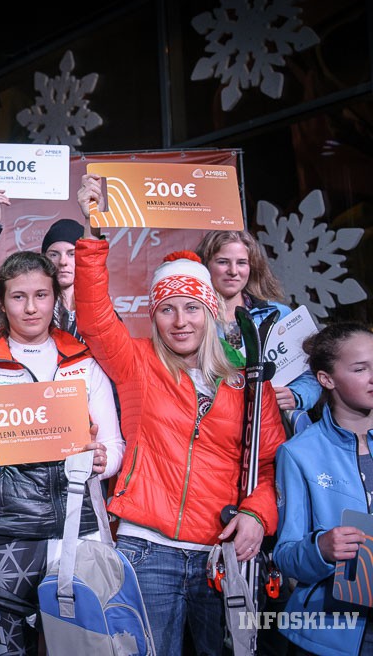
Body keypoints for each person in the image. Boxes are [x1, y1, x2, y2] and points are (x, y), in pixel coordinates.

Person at [74, 174, 285, 655]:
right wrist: (93, 230)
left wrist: (257, 514)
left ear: (210, 311)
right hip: (147, 549)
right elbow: (94, 315)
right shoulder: (138, 363)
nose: (181, 321)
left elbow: (270, 463)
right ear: (154, 315)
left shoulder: (248, 380)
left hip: (221, 553)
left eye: (192, 307)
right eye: (167, 309)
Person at [0, 250, 124, 655]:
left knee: (86, 652)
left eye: (41, 295)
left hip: (78, 533)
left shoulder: (83, 362)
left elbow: (114, 446)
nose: (31, 308)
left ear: (55, 298)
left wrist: (105, 461)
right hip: (5, 539)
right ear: (0, 303)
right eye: (18, 297)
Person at [273, 321, 373, 655]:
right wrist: (321, 549)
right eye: (360, 369)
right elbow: (285, 555)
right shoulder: (299, 453)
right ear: (326, 379)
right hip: (331, 633)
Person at [195, 230, 321, 427]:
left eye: (241, 263)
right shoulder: (193, 321)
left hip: (271, 424)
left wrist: (296, 395)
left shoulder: (278, 314)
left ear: (252, 266)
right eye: (223, 262)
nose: (233, 271)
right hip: (216, 427)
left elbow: (313, 373)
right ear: (205, 266)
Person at [42, 217, 86, 342]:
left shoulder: (100, 311)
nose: (62, 262)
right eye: (54, 254)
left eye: (72, 254)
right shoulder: (34, 311)